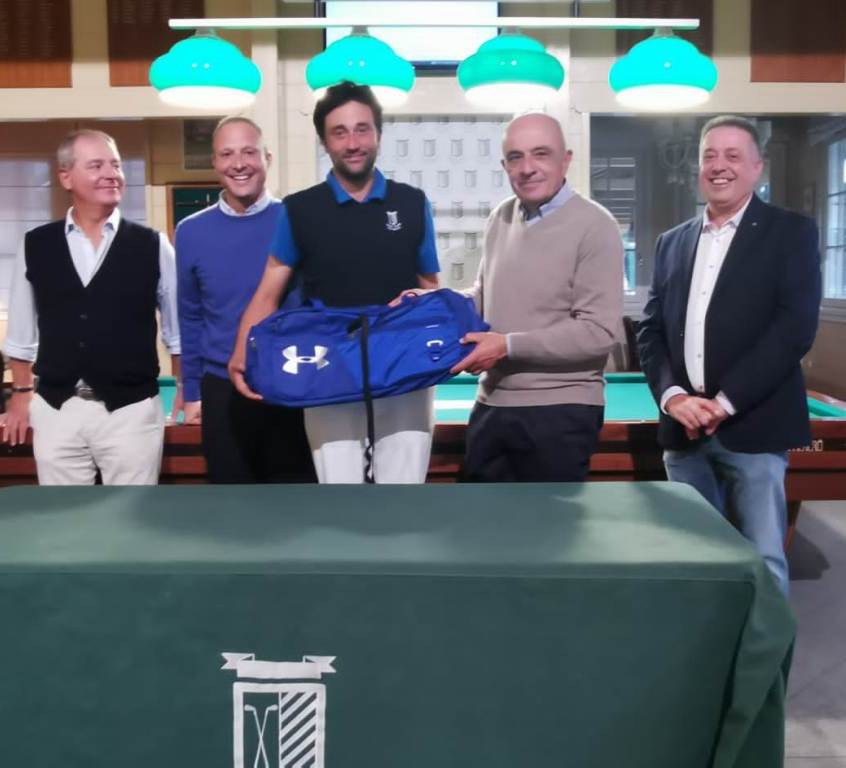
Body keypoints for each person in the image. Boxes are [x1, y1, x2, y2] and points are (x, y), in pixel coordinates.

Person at [637, 115, 821, 595]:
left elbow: (793, 330)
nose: (719, 166)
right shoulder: (672, 242)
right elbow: (651, 331)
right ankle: (705, 643)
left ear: (758, 167)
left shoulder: (791, 233)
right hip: (683, 429)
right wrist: (674, 398)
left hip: (754, 426)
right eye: (710, 156)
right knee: (692, 558)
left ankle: (765, 648)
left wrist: (724, 403)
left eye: (733, 156)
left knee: (763, 558)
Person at [228, 82, 440, 483]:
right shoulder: (299, 209)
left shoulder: (413, 202)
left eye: (362, 129)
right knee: (339, 493)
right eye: (339, 132)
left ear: (378, 134)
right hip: (328, 366)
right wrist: (241, 351)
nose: (353, 143)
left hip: (404, 365)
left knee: (405, 495)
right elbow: (269, 291)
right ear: (325, 142)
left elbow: (431, 287)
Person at [448, 112, 623, 481]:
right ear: (504, 166)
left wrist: (507, 346)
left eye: (540, 154)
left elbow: (598, 333)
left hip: (561, 411)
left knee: (550, 521)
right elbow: (485, 295)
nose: (527, 168)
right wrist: (432, 304)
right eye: (516, 157)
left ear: (565, 160)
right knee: (479, 517)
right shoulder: (500, 217)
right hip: (491, 403)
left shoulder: (597, 226)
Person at [0, 129, 180, 484]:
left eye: (116, 165)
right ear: (66, 176)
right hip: (57, 411)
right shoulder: (36, 244)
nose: (111, 174)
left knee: (133, 515)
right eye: (96, 166)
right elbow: (21, 332)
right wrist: (20, 395)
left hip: (132, 412)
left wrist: (186, 390)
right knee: (64, 516)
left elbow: (178, 333)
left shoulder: (153, 245)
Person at [175, 116, 314, 483]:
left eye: (249, 152)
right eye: (227, 154)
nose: (239, 164)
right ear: (215, 163)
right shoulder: (190, 232)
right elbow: (190, 317)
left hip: (290, 382)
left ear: (267, 158)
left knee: (296, 500)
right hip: (220, 389)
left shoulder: (298, 222)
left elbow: (316, 308)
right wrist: (191, 391)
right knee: (229, 503)